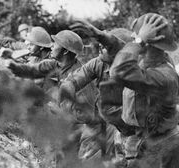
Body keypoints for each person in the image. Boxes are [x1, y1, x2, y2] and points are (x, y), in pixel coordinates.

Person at [108, 13, 179, 168]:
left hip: (157, 146)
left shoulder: (163, 76)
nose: (133, 41)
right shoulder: (153, 62)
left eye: (136, 38)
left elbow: (118, 71)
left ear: (146, 44)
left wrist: (139, 41)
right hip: (141, 139)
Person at [60, 20, 134, 160]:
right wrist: (67, 103)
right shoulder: (98, 63)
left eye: (106, 45)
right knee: (84, 158)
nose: (100, 46)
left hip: (127, 127)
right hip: (99, 120)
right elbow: (71, 82)